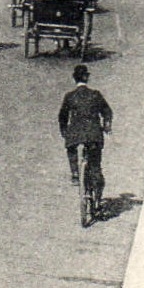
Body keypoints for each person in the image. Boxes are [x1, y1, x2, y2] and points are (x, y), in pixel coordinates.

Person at [59, 64, 113, 207]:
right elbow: (107, 111)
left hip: (75, 134)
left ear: (74, 79)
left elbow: (62, 117)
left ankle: (75, 173)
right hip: (93, 133)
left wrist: (65, 132)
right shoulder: (95, 95)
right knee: (96, 164)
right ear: (87, 78)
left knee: (71, 148)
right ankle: (97, 196)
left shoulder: (69, 96)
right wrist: (107, 125)